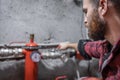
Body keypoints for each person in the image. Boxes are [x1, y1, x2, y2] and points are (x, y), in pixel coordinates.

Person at [58, 0, 120, 80]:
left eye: (86, 12)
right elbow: (88, 47)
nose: (85, 21)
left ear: (103, 6)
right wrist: (68, 45)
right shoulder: (107, 46)